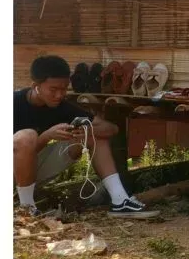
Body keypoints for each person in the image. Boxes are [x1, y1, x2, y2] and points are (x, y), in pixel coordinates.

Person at [13, 55, 149, 217]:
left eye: (63, 89)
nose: (59, 95)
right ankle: (27, 209)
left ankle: (120, 200)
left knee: (92, 132)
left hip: (35, 169)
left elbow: (110, 129)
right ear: (36, 86)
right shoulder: (13, 103)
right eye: (53, 89)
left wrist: (83, 131)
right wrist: (47, 136)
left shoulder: (62, 106)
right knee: (27, 136)